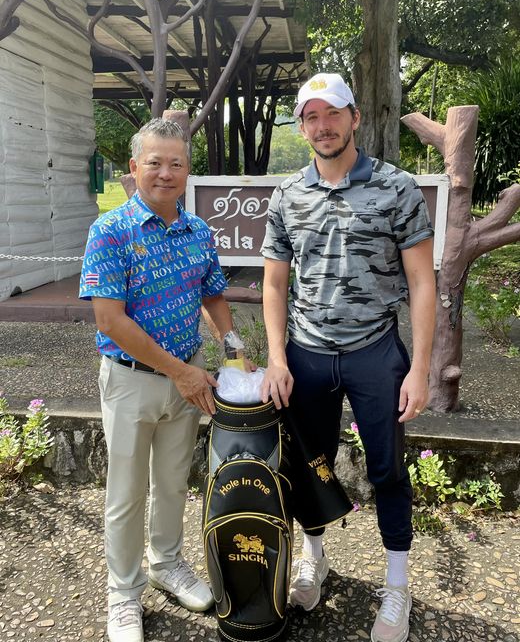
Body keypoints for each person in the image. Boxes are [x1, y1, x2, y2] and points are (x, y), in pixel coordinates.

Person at [260, 73, 436, 642]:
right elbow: (273, 285)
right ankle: (314, 558)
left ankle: (397, 585)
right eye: (310, 116)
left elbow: (421, 282)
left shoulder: (396, 187)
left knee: (387, 469)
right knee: (310, 466)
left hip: (374, 353)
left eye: (331, 113)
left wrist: (420, 368)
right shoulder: (288, 196)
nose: (322, 125)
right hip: (306, 356)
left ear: (354, 117)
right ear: (303, 126)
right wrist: (276, 358)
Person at [80, 118, 247, 642]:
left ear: (187, 171)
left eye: (176, 163)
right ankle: (123, 594)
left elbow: (213, 293)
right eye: (155, 162)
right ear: (135, 168)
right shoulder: (110, 231)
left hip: (189, 375)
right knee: (126, 492)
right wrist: (182, 374)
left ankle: (167, 564)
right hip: (135, 381)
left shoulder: (197, 230)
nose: (166, 173)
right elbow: (110, 320)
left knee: (174, 482)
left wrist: (233, 347)